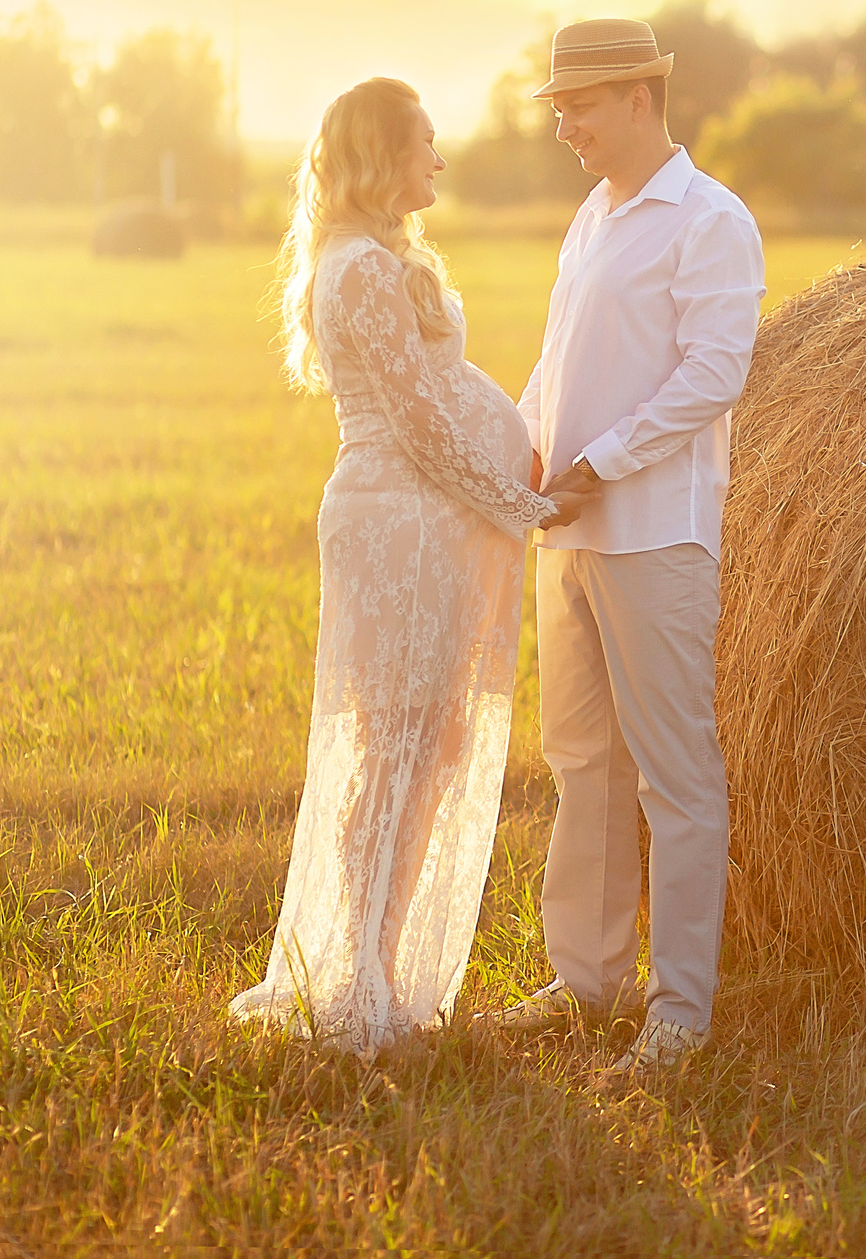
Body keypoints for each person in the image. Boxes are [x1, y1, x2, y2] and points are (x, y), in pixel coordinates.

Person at [232, 77, 583, 1055]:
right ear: (384, 155)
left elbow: (437, 402)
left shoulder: (382, 259)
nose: (440, 157)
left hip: (427, 523)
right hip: (394, 523)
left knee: (426, 750)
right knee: (391, 750)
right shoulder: (358, 272)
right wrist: (528, 505)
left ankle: (376, 964)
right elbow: (420, 426)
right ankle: (353, 978)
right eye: (425, 141)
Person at [482, 18, 766, 1082]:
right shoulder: (592, 218)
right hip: (570, 530)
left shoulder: (709, 220)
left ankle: (680, 1008)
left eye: (579, 106)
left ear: (641, 98)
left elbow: (712, 374)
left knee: (676, 774)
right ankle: (586, 981)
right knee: (585, 766)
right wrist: (511, 447)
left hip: (653, 533)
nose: (563, 126)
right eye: (557, 106)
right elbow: (556, 368)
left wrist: (597, 463)